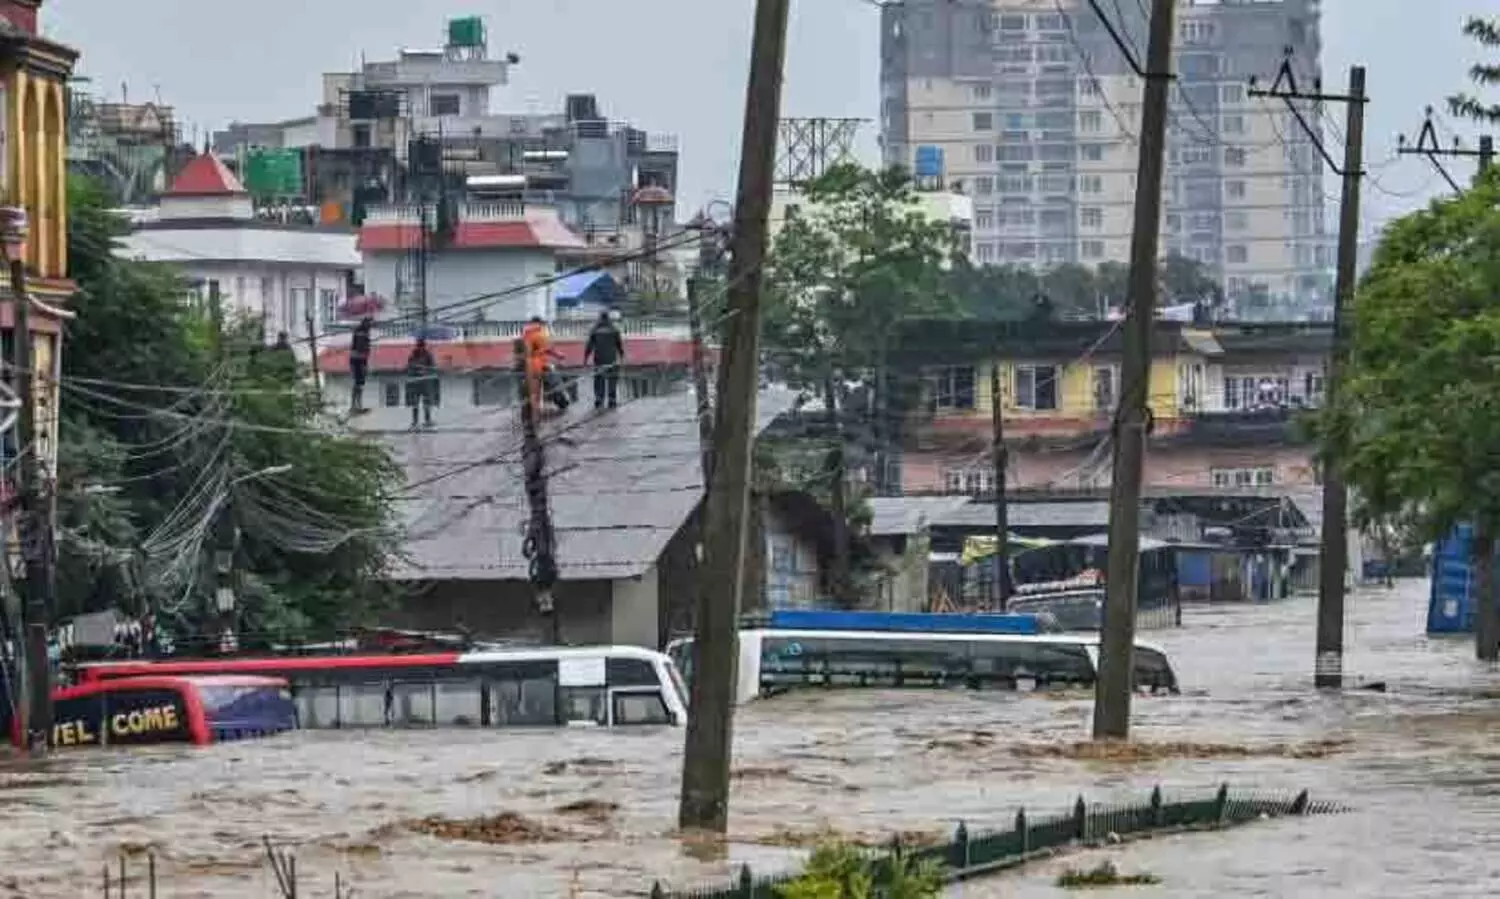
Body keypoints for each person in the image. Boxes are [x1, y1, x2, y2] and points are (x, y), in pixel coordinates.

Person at [521, 316, 568, 412]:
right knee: (555, 384)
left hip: (528, 367)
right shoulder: (541, 334)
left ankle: (531, 410)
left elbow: (524, 352)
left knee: (532, 391)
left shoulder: (526, 335)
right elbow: (548, 349)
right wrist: (559, 355)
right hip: (541, 365)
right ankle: (562, 403)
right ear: (539, 323)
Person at [583, 309, 625, 409]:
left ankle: (599, 399)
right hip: (612, 359)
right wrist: (621, 356)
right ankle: (612, 399)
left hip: (599, 359)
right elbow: (619, 345)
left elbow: (589, 346)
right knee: (612, 379)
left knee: (599, 379)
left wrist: (585, 358)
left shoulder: (595, 330)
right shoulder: (614, 330)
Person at [404, 338, 438, 430]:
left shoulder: (428, 355)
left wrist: (425, 370)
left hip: (425, 382)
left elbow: (433, 367)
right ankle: (415, 422)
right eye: (419, 346)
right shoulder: (413, 355)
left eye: (422, 346)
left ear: (424, 346)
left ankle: (427, 420)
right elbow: (409, 367)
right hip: (415, 383)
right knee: (415, 403)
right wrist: (414, 370)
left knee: (427, 402)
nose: (420, 348)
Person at [349, 316, 374, 414]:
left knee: (359, 384)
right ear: (365, 323)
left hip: (361, 359)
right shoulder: (361, 332)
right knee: (357, 384)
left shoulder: (364, 332)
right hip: (357, 360)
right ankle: (354, 406)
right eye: (369, 323)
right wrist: (367, 347)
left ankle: (358, 405)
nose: (370, 326)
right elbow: (361, 347)